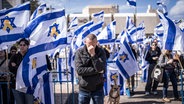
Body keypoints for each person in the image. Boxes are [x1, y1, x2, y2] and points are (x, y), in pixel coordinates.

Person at [75, 34, 107, 104]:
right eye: (89, 44)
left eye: (93, 44)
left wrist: (93, 55)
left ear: (96, 42)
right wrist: (96, 70)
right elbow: (79, 70)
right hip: (84, 88)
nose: (91, 46)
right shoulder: (79, 52)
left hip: (97, 88)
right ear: (85, 42)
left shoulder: (101, 52)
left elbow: (101, 68)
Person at [8, 38, 34, 104]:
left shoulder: (31, 56)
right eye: (20, 45)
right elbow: (11, 68)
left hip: (28, 85)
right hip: (17, 85)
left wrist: (17, 66)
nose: (22, 46)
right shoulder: (14, 56)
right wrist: (21, 68)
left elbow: (32, 69)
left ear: (28, 46)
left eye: (24, 45)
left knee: (29, 102)